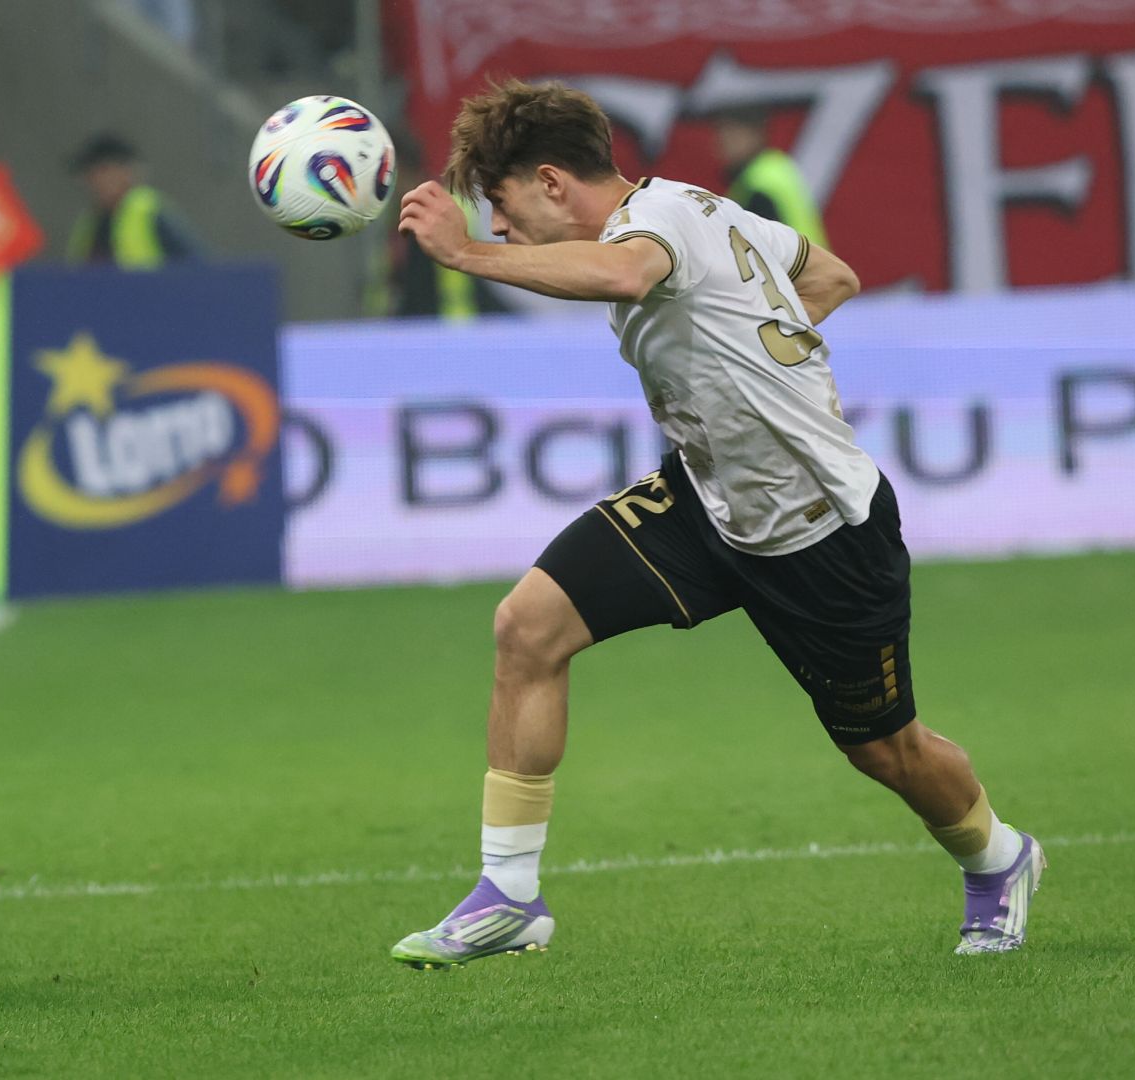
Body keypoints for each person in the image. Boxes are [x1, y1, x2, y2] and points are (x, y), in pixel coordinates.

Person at [388, 79, 1040, 968]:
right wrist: (749, 349)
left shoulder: (656, 225)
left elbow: (626, 274)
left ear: (550, 182)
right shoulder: (705, 209)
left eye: (500, 205)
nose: (498, 227)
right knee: (527, 626)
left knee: (889, 752)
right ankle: (509, 894)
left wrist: (464, 255)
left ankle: (999, 859)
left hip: (820, 530)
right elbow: (830, 277)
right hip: (704, 498)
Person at [65, 133, 201, 268]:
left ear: (126, 172)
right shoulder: (90, 225)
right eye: (88, 174)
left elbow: (196, 267)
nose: (93, 180)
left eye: (102, 171)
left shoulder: (149, 213)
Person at [712, 106, 828, 248]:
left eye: (732, 136)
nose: (724, 143)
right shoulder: (776, 166)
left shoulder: (758, 184)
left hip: (795, 261)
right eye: (720, 136)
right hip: (813, 260)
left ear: (754, 135)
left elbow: (760, 248)